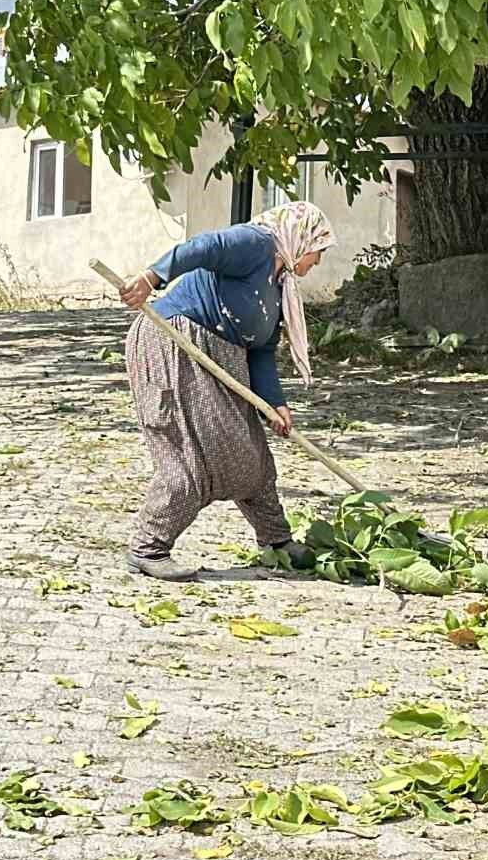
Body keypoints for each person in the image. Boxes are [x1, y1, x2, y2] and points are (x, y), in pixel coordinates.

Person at [116, 201, 335, 582]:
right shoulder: (255, 244)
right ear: (303, 238)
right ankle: (148, 547)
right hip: (177, 345)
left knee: (251, 451)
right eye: (319, 249)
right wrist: (151, 278)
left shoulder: (278, 286)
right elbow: (202, 248)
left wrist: (275, 404)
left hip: (224, 359)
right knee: (194, 453)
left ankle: (276, 541)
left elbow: (262, 350)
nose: (318, 260)